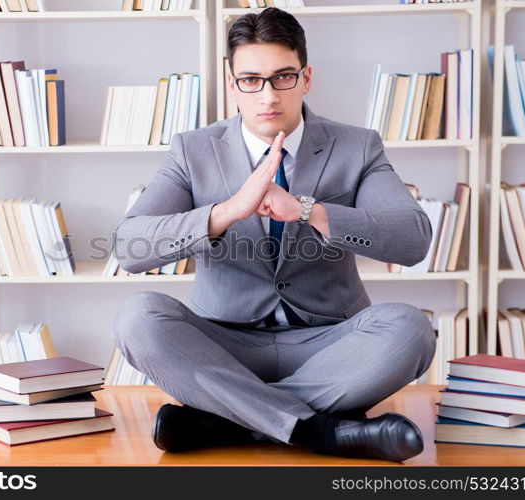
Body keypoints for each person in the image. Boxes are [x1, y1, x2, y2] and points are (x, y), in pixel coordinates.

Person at [111, 7, 436, 462]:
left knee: (411, 328)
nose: (267, 95)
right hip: (225, 346)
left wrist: (310, 210)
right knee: (137, 318)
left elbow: (413, 239)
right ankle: (318, 430)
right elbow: (129, 246)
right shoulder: (193, 150)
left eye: (283, 77)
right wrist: (225, 212)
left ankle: (227, 420)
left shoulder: (357, 146)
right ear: (232, 84)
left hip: (331, 345)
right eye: (251, 80)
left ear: (306, 78)